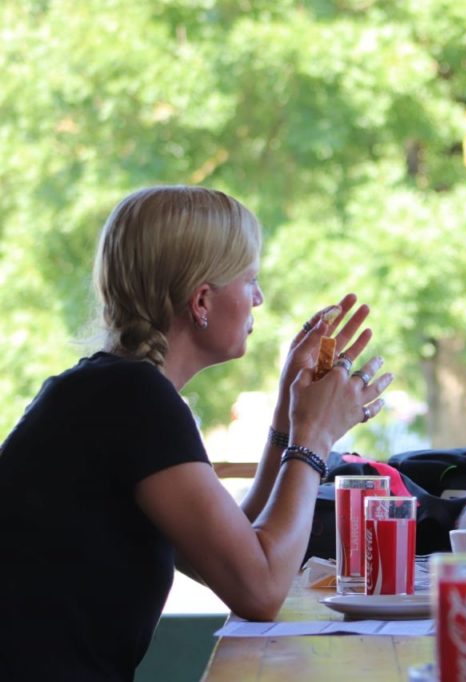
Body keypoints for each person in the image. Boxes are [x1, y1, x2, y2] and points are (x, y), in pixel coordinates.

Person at [0, 186, 393, 681]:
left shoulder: (111, 391)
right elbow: (260, 590)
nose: (259, 298)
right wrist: (314, 437)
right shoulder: (132, 399)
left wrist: (288, 415)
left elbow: (233, 551)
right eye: (250, 280)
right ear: (202, 300)